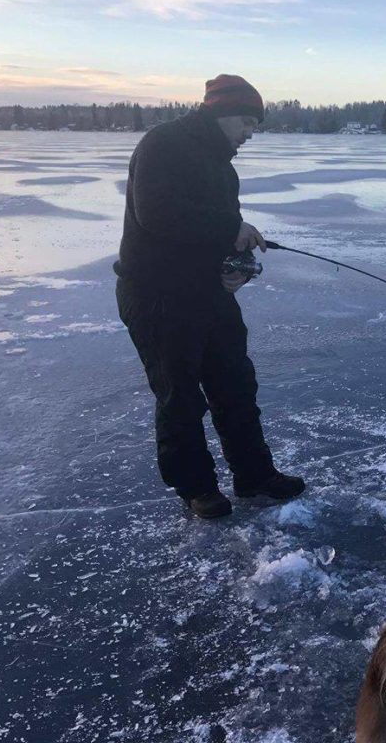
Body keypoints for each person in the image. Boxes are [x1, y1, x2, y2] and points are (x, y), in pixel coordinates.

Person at [114, 74, 305, 519]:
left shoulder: (223, 167)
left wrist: (234, 270)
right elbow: (156, 213)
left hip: (206, 292)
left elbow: (219, 235)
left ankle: (254, 475)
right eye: (247, 121)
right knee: (179, 397)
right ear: (222, 114)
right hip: (156, 294)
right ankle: (197, 489)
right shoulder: (163, 144)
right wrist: (229, 231)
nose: (251, 132)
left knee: (236, 385)